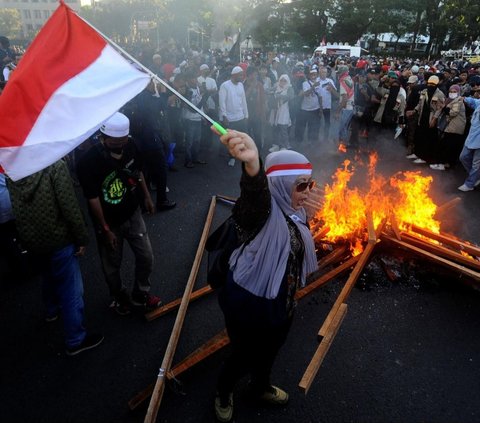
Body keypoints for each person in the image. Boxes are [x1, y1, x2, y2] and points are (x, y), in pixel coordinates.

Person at [212, 130, 318, 422]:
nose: (308, 191)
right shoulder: (261, 213)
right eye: (302, 185)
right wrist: (253, 166)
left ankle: (259, 386)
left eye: (311, 183)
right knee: (242, 354)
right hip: (249, 302)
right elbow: (254, 196)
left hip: (281, 301)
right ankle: (223, 390)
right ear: (280, 185)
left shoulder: (295, 212)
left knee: (271, 349)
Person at [7, 160, 104, 356]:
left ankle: (52, 310)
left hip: (32, 239)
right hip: (59, 237)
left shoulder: (12, 169)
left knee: (47, 274)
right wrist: (81, 236)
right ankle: (76, 339)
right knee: (71, 290)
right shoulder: (54, 165)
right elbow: (69, 206)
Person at [76, 112, 162, 315]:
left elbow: (137, 172)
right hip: (108, 221)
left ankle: (141, 292)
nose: (122, 145)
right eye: (116, 142)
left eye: (124, 139)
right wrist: (105, 229)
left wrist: (147, 198)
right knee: (112, 265)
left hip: (133, 213)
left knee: (146, 256)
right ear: (104, 138)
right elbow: (93, 197)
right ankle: (120, 297)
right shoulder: (88, 161)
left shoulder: (132, 145)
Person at [218, 66, 249, 166]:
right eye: (240, 75)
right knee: (231, 140)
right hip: (230, 118)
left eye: (242, 75)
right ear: (234, 75)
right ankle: (232, 157)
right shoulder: (225, 85)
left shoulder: (241, 85)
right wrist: (224, 115)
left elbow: (243, 100)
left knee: (242, 138)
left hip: (240, 116)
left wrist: (246, 115)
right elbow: (222, 102)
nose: (241, 77)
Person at [458, 87, 480, 191]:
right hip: (471, 138)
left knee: (476, 164)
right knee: (463, 157)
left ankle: (470, 183)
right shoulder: (479, 104)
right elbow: (473, 101)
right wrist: (463, 98)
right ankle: (475, 176)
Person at [268, 74, 294, 151]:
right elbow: (268, 90)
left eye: (284, 80)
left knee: (283, 129)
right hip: (275, 110)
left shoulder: (289, 88)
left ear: (287, 81)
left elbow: (290, 97)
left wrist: (279, 96)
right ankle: (276, 145)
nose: (282, 82)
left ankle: (284, 146)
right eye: (281, 80)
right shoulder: (276, 87)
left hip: (284, 111)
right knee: (275, 128)